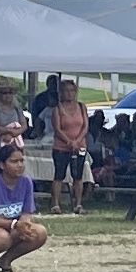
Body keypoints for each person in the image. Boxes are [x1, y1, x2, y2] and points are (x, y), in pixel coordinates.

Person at [45, 79, 93, 211]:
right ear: (61, 93)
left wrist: (77, 141)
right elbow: (57, 128)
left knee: (78, 175)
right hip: (61, 146)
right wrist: (69, 142)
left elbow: (85, 125)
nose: (69, 94)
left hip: (80, 145)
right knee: (59, 175)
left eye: (72, 90)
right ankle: (56, 204)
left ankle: (78, 203)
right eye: (66, 91)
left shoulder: (82, 107)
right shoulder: (57, 109)